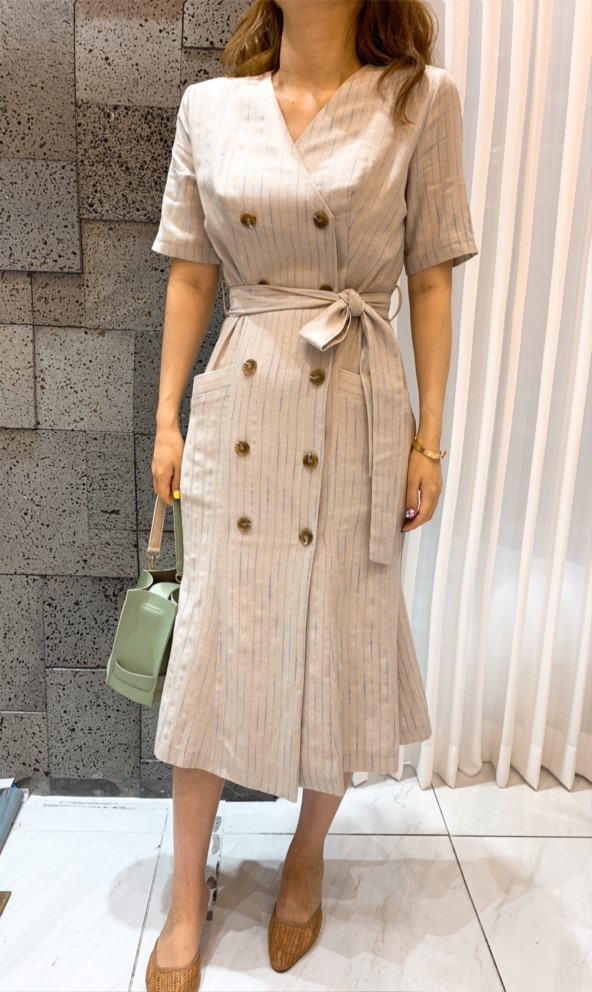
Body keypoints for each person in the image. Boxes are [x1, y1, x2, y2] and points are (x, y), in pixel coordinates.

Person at [145, 0, 479, 988]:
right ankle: (185, 896)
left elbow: (429, 279)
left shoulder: (421, 100)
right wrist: (165, 420)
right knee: (211, 646)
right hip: (242, 398)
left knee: (343, 636)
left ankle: (304, 859)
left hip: (358, 404)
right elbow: (190, 273)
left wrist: (430, 439)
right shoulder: (210, 107)